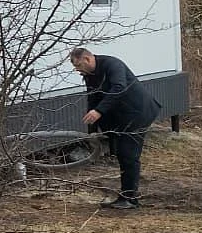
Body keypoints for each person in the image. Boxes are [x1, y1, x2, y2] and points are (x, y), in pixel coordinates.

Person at [69, 47, 162, 210]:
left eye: (78, 66)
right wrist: (92, 130)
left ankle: (129, 199)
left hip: (138, 111)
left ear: (87, 59)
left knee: (128, 154)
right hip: (121, 115)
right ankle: (126, 195)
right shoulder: (89, 74)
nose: (77, 70)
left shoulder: (113, 65)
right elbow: (93, 97)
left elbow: (119, 88)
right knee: (121, 152)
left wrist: (99, 111)